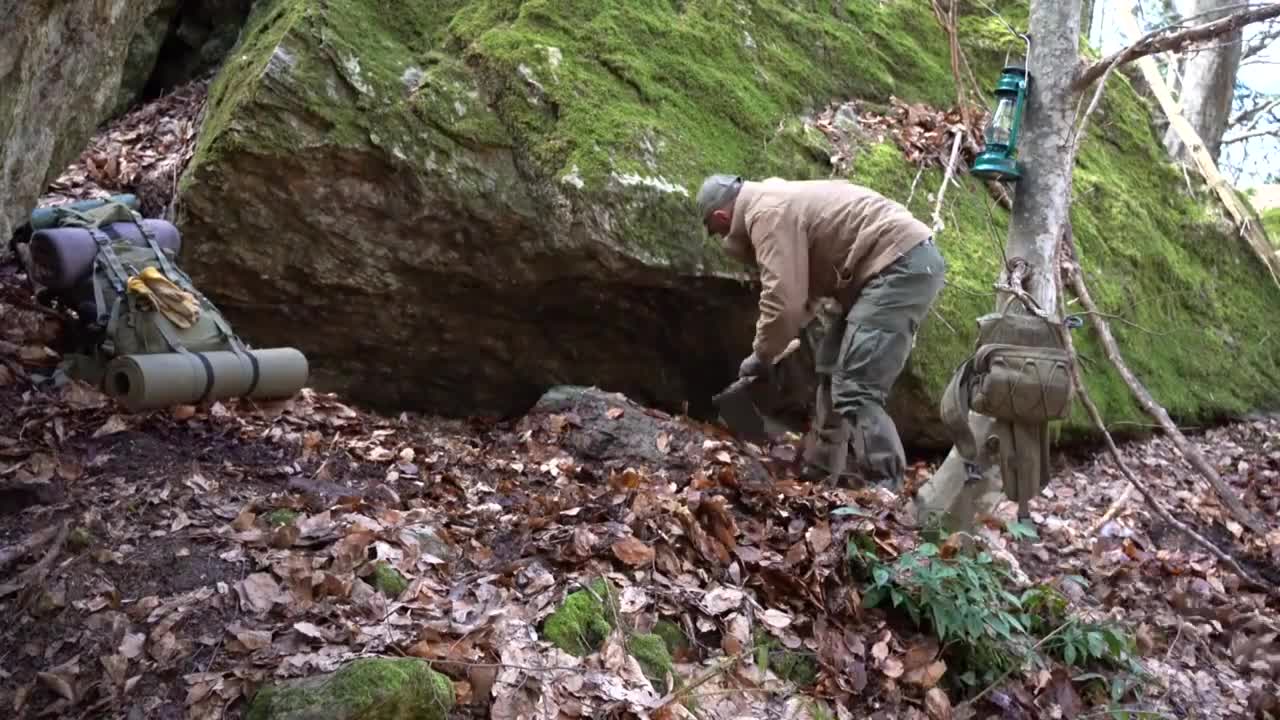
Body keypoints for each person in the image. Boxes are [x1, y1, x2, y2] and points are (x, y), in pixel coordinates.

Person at [696, 174, 946, 488]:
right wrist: (773, 345)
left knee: (856, 383)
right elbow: (804, 295)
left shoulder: (765, 213)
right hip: (884, 270)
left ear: (721, 217)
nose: (722, 240)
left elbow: (783, 301)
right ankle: (819, 472)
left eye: (718, 233)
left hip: (899, 266)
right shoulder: (772, 200)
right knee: (831, 366)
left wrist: (762, 355)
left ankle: (886, 485)